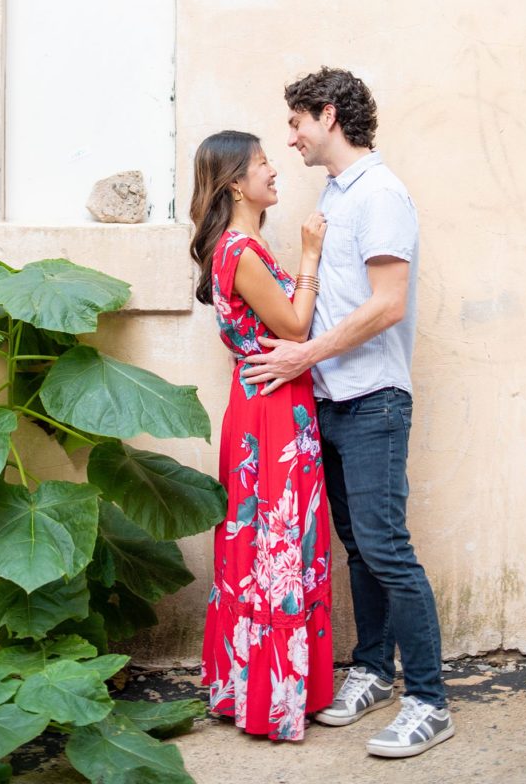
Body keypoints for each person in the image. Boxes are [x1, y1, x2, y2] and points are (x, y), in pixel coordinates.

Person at [242, 68, 454, 759]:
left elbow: (386, 303)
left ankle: (426, 700)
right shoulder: (337, 194)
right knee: (359, 548)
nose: (290, 135)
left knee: (387, 549)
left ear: (328, 115)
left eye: (297, 121)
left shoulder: (382, 195)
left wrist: (304, 356)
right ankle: (369, 669)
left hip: (373, 401)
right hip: (330, 400)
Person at [190, 130, 334, 741]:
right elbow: (296, 327)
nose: (274, 170)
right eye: (261, 164)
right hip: (272, 410)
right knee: (277, 544)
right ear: (234, 185)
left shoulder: (238, 246)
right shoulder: (241, 250)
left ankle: (254, 689)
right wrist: (309, 255)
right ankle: (274, 697)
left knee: (262, 543)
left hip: (263, 403)